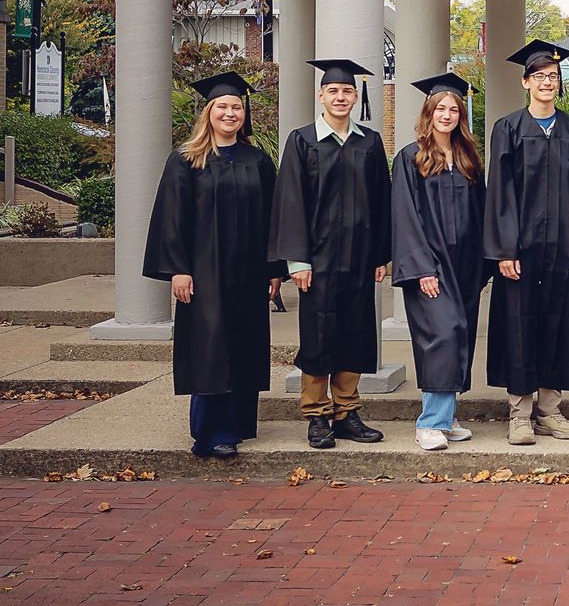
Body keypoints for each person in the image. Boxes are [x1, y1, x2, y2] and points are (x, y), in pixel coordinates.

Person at [144, 72, 280, 459]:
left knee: (244, 342)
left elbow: (273, 219)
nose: (230, 113)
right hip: (205, 272)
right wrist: (178, 269)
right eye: (222, 106)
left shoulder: (258, 160)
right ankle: (211, 432)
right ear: (208, 112)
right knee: (210, 347)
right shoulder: (187, 160)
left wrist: (274, 269)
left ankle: (239, 424)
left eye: (236, 107)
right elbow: (171, 218)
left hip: (249, 271)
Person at [269, 59, 391, 449]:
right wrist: (297, 260)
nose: (341, 97)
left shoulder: (369, 142)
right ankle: (317, 414)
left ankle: (347, 412)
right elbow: (290, 201)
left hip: (359, 257)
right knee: (319, 336)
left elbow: (382, 201)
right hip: (317, 261)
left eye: (347, 91)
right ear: (321, 95)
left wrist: (380, 255)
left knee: (355, 332)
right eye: (333, 91)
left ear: (356, 97)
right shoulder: (302, 140)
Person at [485, 40, 569, 445]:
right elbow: (499, 193)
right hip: (520, 250)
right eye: (539, 76)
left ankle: (550, 411)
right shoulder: (508, 129)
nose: (547, 82)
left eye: (553, 77)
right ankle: (519, 413)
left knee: (557, 324)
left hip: (562, 249)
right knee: (518, 326)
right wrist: (504, 249)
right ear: (525, 82)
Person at [392, 73, 487, 451]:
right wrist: (421, 268)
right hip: (430, 264)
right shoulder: (410, 157)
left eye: (453, 110)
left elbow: (481, 212)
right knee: (442, 336)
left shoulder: (467, 158)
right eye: (440, 109)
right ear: (428, 113)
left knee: (460, 335)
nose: (446, 115)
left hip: (465, 264)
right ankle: (430, 422)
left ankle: (447, 418)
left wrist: (484, 264)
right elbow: (404, 215)